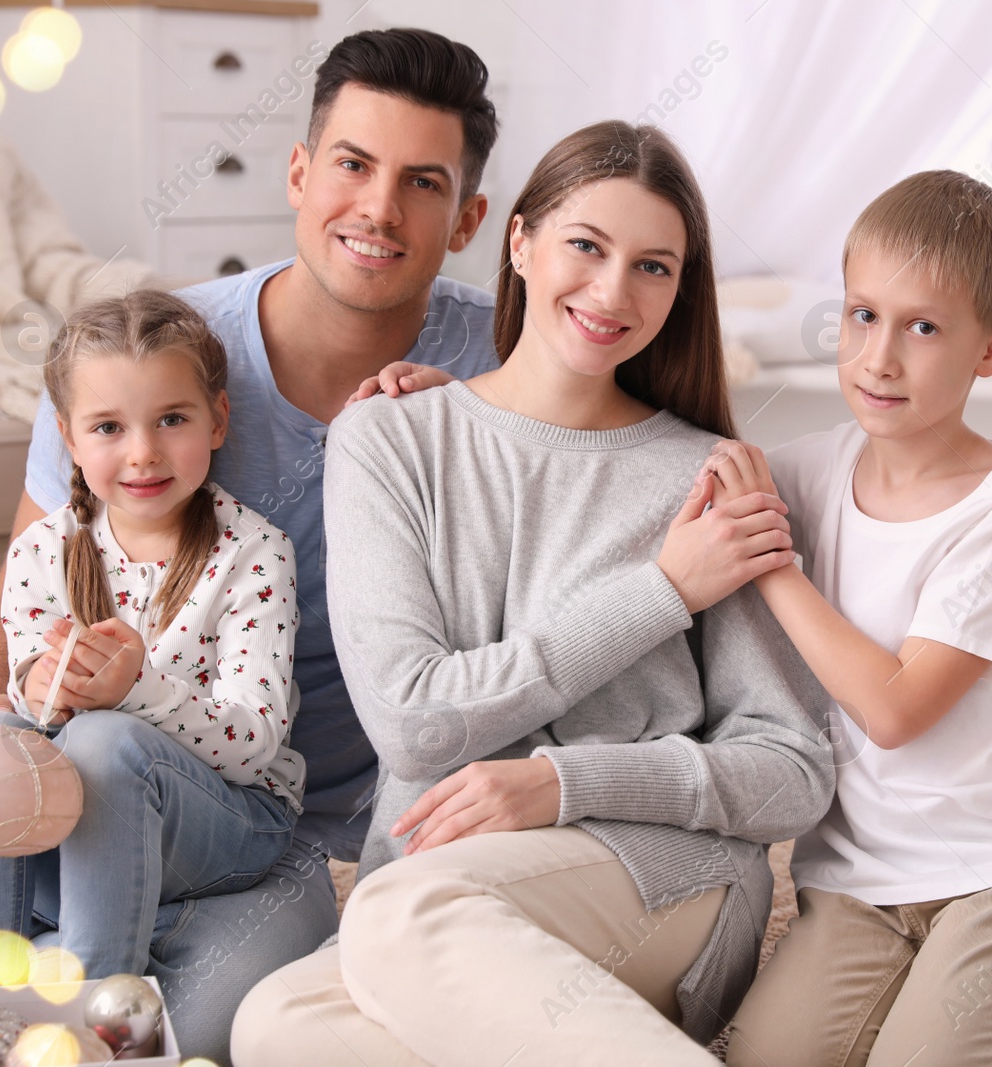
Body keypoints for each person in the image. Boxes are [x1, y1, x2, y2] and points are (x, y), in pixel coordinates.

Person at [0, 28, 499, 1061]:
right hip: (71, 774)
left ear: (466, 218)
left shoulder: (500, 365)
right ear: (299, 170)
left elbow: (647, 427)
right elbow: (21, 576)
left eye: (421, 182)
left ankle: (71, 966)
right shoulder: (156, 358)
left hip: (278, 829)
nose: (377, 208)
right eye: (352, 165)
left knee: (197, 1024)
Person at [229, 121, 835, 1067]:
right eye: (586, 246)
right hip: (439, 897)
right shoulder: (390, 440)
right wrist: (661, 589)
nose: (611, 290)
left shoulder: (709, 478)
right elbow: (415, 726)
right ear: (519, 242)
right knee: (277, 1027)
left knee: (400, 914)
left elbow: (791, 770)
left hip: (662, 883)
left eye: (653, 267)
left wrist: (565, 784)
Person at [713, 171, 992, 1066]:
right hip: (857, 880)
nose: (879, 357)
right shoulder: (814, 467)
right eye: (862, 316)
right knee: (760, 1058)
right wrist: (474, 400)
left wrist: (776, 567)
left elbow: (894, 710)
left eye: (923, 327)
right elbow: (668, 466)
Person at [0, 289, 303, 983]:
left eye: (171, 418)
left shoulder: (254, 553)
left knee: (106, 743)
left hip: (233, 822)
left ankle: (101, 1011)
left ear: (217, 419)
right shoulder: (43, 551)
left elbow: (254, 746)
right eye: (108, 427)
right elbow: (27, 718)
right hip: (79, 820)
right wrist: (37, 695)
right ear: (68, 439)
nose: (143, 453)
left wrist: (136, 689)